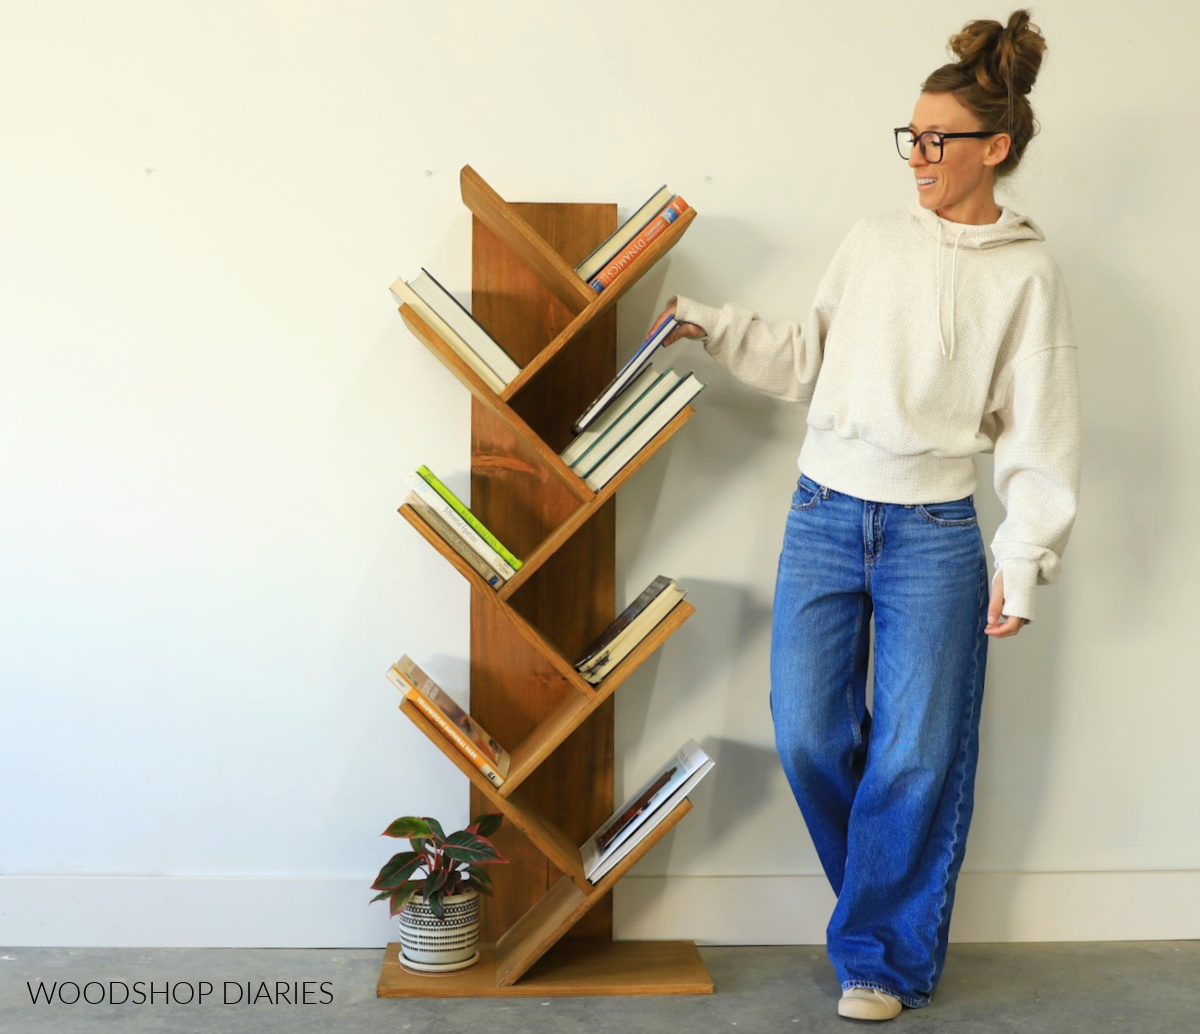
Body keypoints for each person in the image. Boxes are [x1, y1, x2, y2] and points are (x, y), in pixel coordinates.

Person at [652, 9, 1081, 1023]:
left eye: (939, 140)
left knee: (916, 752)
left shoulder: (1028, 273)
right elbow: (808, 357)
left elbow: (1041, 432)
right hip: (824, 512)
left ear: (997, 149)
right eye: (912, 137)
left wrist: (1022, 559)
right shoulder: (871, 242)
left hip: (935, 532)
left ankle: (877, 957)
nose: (919, 157)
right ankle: (887, 917)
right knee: (808, 732)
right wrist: (711, 325)